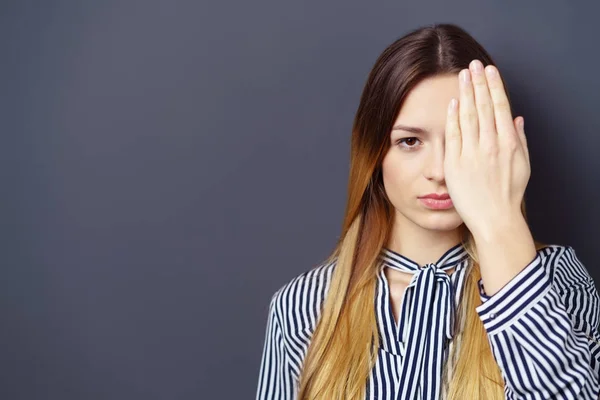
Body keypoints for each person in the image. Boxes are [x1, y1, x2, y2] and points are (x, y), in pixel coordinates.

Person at [255, 23, 600, 400]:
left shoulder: (557, 279)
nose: (438, 171)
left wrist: (500, 220)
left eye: (461, 139)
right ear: (375, 155)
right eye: (410, 141)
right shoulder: (302, 306)